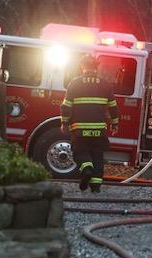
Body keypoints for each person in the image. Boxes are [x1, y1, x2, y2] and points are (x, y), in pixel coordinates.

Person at [60, 54, 119, 192]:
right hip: (99, 129)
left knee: (80, 152)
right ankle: (96, 186)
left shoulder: (74, 83)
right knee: (97, 155)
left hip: (79, 129)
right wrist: (114, 124)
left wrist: (64, 122)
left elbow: (66, 106)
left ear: (82, 66)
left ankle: (86, 168)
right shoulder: (105, 84)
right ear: (96, 67)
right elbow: (113, 107)